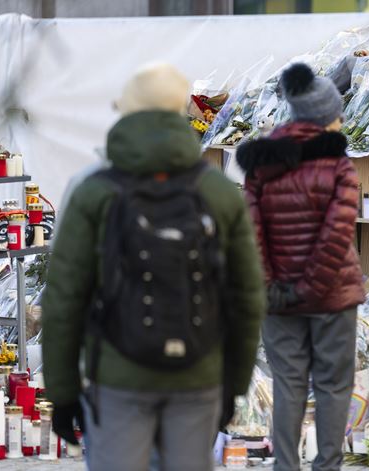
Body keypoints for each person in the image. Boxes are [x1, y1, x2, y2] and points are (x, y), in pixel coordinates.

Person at [42, 63, 266, 470]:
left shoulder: (94, 190)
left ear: (127, 114)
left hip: (116, 377)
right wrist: (233, 386)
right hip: (198, 377)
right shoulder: (218, 190)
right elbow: (247, 296)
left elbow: (64, 297)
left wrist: (62, 390)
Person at [237, 63, 365, 471]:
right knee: (332, 386)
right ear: (328, 117)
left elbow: (251, 234)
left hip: (277, 300)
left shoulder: (261, 166)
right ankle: (327, 465)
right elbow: (337, 235)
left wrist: (272, 286)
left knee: (288, 386)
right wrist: (311, 288)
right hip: (332, 297)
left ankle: (285, 466)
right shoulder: (338, 167)